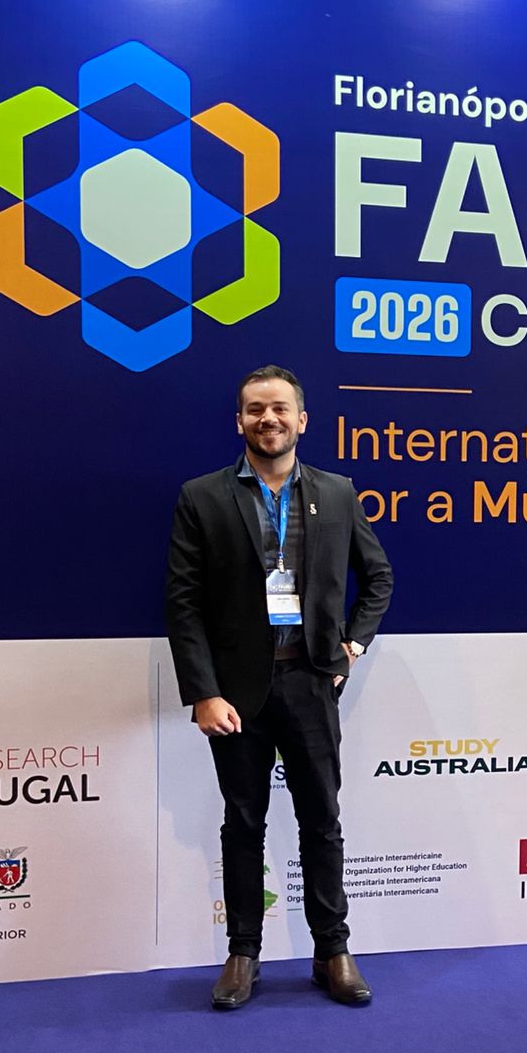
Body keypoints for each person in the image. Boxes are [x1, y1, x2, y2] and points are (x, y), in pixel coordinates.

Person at [166, 366, 393, 1010]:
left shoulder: (337, 493)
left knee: (322, 820)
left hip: (311, 683)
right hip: (235, 695)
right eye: (255, 409)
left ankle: (332, 952)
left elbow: (378, 578)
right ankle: (243, 954)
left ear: (302, 420)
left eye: (280, 409)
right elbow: (183, 604)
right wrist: (203, 692)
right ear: (239, 421)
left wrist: (352, 645)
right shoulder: (202, 496)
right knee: (243, 822)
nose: (268, 419)